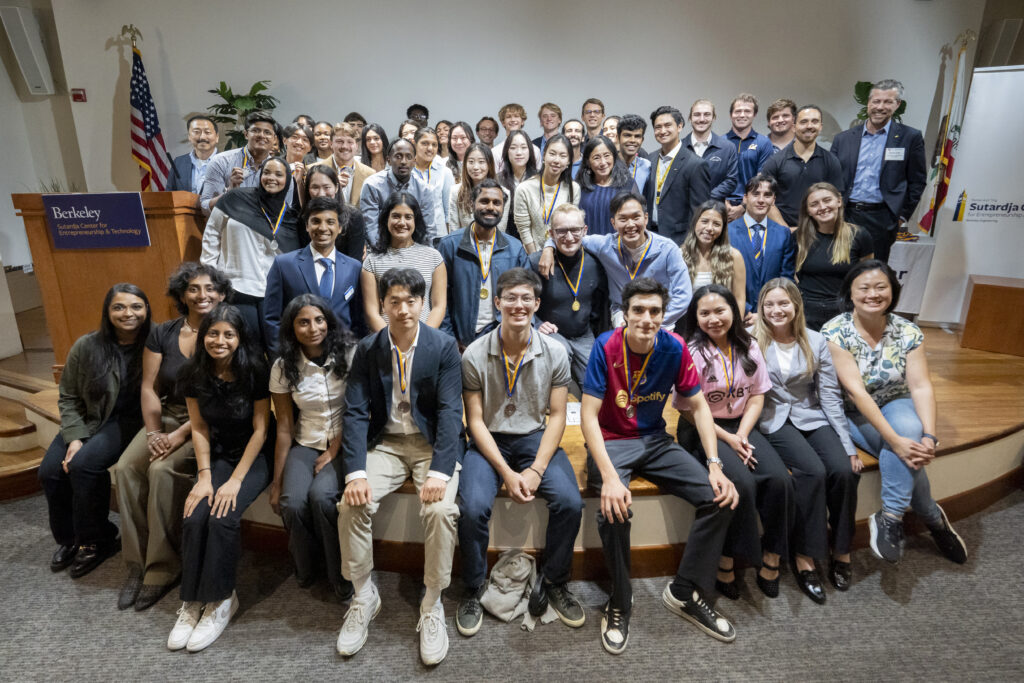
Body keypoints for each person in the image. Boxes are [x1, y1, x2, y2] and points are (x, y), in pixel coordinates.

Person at [582, 277, 738, 652]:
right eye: (638, 310)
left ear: (664, 315)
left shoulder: (675, 347)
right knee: (613, 510)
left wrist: (714, 464)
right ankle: (620, 598)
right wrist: (608, 477)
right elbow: (588, 416)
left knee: (719, 498)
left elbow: (698, 406)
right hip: (612, 441)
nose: (647, 318)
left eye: (655, 311)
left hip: (654, 439)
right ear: (625, 313)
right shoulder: (606, 346)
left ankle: (684, 591)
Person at [336, 268, 464, 665]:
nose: (404, 309)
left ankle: (432, 601)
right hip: (387, 444)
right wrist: (355, 472)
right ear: (382, 305)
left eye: (411, 300)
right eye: (395, 301)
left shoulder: (443, 346)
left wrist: (441, 471)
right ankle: (363, 595)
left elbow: (449, 411)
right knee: (350, 503)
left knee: (441, 510)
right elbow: (355, 413)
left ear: (422, 304)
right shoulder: (368, 349)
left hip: (430, 447)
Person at [456, 268, 585, 637]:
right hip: (488, 442)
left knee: (570, 502)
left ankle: (556, 581)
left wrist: (537, 469)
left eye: (526, 298)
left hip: (534, 437)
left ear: (537, 304)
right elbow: (475, 422)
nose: (518, 305)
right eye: (510, 298)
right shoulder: (475, 355)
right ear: (497, 303)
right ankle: (474, 587)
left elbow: (558, 415)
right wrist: (508, 472)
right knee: (473, 507)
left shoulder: (556, 352)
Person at [822, 261, 967, 566]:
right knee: (903, 442)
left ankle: (890, 516)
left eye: (881, 287)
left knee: (911, 432)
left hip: (895, 400)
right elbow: (856, 393)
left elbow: (921, 386)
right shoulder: (835, 332)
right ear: (850, 293)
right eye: (864, 288)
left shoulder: (908, 331)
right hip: (853, 410)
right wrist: (895, 440)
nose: (873, 294)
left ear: (893, 290)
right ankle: (932, 517)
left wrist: (929, 435)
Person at [115, 264, 230, 611]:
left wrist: (178, 436)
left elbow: (221, 399)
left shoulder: (226, 332)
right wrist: (153, 432)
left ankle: (162, 569)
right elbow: (149, 387)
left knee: (161, 471)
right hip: (166, 416)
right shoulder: (163, 332)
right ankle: (137, 564)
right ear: (181, 295)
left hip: (205, 422)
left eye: (210, 288)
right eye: (193, 288)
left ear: (222, 294)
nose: (202, 295)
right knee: (124, 469)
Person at [677, 285, 795, 602]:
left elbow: (757, 395)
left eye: (720, 311)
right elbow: (689, 411)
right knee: (739, 484)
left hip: (741, 425)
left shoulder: (750, 345)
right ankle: (726, 561)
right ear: (695, 317)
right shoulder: (691, 352)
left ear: (734, 312)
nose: (714, 318)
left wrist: (742, 433)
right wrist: (729, 437)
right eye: (705, 313)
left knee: (779, 480)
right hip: (703, 428)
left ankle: (772, 557)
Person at [168, 304, 273, 652]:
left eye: (229, 334)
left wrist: (235, 481)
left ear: (240, 338)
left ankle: (221, 599)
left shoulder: (256, 369)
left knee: (223, 517)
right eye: (213, 333)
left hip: (254, 456)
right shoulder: (192, 373)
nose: (220, 340)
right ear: (203, 336)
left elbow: (261, 430)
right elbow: (198, 427)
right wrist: (205, 477)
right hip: (218, 454)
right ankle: (192, 602)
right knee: (196, 515)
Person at [754, 279, 861, 597]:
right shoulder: (751, 340)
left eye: (783, 303)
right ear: (761, 308)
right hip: (773, 419)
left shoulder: (815, 341)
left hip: (811, 415)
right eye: (769, 304)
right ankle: (804, 557)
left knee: (844, 470)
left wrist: (847, 444)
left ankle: (842, 550)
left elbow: (829, 396)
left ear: (797, 305)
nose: (776, 310)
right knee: (812, 472)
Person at [39, 284, 150, 579]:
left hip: (128, 420)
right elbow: (68, 396)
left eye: (136, 306)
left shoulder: (155, 342)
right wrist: (75, 437)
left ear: (146, 310)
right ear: (108, 311)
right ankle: (69, 538)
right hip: (88, 419)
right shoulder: (86, 345)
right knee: (50, 471)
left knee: (85, 465)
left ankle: (97, 539)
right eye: (119, 307)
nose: (129, 313)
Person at [269, 294, 355, 600]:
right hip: (306, 442)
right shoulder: (283, 366)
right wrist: (277, 483)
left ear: (329, 322)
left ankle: (340, 575)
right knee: (291, 503)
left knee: (322, 497)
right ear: (292, 329)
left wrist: (334, 449)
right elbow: (284, 427)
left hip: (347, 441)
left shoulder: (350, 353)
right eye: (303, 322)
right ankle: (306, 568)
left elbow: (361, 410)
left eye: (319, 320)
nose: (313, 328)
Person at [537, 191, 693, 329]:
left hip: (659, 317)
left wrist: (655, 321)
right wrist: (548, 247)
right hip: (622, 315)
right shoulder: (604, 245)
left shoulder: (667, 249)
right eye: (623, 219)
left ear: (646, 218)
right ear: (613, 223)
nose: (630, 224)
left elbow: (683, 295)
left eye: (636, 217)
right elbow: (571, 238)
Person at [200, 156, 301, 346]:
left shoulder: (290, 216)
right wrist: (210, 275)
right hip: (236, 286)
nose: (272, 178)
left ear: (288, 180)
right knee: (247, 348)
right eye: (267, 173)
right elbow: (211, 233)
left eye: (279, 174)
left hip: (273, 293)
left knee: (276, 348)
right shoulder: (235, 198)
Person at [830, 79, 928, 263]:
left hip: (882, 219)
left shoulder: (909, 137)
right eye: (876, 101)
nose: (880, 107)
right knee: (840, 270)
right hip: (845, 215)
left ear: (897, 104)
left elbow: (917, 181)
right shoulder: (843, 139)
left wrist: (900, 216)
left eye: (887, 102)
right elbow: (830, 178)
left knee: (872, 273)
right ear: (868, 103)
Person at [263, 196, 364, 353]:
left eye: (330, 222)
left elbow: (358, 320)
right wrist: (281, 358)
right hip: (297, 357)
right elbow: (272, 319)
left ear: (340, 228)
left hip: (343, 357)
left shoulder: (354, 267)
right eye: (316, 221)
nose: (323, 228)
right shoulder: (284, 264)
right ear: (307, 226)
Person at [438, 179, 529, 350]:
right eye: (484, 201)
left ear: (503, 208)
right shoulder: (449, 245)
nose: (491, 207)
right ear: (472, 204)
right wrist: (450, 340)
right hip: (462, 340)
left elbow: (525, 297)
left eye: (497, 203)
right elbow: (440, 299)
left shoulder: (515, 248)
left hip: (504, 338)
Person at [530, 204, 608, 392]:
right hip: (550, 333)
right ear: (551, 233)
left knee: (598, 388)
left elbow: (600, 305)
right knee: (560, 354)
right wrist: (536, 323)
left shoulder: (596, 262)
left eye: (575, 230)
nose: (569, 237)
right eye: (562, 231)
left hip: (583, 334)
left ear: (585, 230)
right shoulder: (536, 262)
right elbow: (524, 300)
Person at [361, 192, 447, 331]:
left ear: (415, 221)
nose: (402, 223)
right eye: (396, 216)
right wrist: (392, 342)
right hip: (385, 344)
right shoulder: (372, 262)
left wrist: (422, 338)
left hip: (424, 342)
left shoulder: (434, 257)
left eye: (408, 217)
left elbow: (439, 306)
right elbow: (372, 313)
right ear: (386, 220)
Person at [795, 182, 874, 330]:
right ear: (808, 211)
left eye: (827, 200)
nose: (822, 207)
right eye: (814, 204)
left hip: (845, 310)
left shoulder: (860, 235)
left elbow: (868, 277)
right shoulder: (798, 238)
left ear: (839, 201)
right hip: (806, 312)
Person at [761, 104, 845, 228]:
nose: (809, 126)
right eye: (804, 122)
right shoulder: (775, 162)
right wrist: (786, 231)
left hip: (820, 232)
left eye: (814, 121)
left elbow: (837, 198)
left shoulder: (831, 161)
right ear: (794, 127)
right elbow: (765, 200)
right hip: (785, 231)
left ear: (820, 127)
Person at [728, 174, 796, 320]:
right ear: (745, 198)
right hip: (738, 315)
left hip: (773, 315)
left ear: (773, 200)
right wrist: (745, 311)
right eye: (755, 194)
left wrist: (766, 313)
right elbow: (724, 279)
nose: (761, 200)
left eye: (767, 195)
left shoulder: (783, 233)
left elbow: (786, 280)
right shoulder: (727, 232)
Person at [645, 105, 711, 245]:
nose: (662, 131)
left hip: (680, 241)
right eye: (658, 127)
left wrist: (691, 244)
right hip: (650, 237)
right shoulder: (650, 159)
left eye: (668, 125)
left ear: (679, 126)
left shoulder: (695, 164)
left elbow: (699, 212)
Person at [360, 138, 440, 244]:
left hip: (414, 247)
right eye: (398, 156)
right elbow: (371, 227)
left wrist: (425, 256)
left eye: (409, 157)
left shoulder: (424, 189)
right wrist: (383, 253)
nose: (403, 161)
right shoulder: (372, 185)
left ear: (414, 161)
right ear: (388, 160)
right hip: (381, 247)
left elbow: (429, 229)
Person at [199, 111, 278, 215]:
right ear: (246, 134)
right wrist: (230, 191)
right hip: (229, 227)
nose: (262, 136)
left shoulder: (281, 170)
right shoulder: (221, 161)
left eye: (267, 132)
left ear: (274, 138)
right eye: (256, 130)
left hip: (266, 228)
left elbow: (285, 209)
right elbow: (205, 207)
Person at [513, 134, 580, 253]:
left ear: (569, 161)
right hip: (533, 254)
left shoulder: (573, 188)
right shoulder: (524, 189)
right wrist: (534, 257)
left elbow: (571, 225)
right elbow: (524, 230)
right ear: (544, 156)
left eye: (563, 156)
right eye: (552, 154)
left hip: (563, 253)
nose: (556, 160)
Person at [680, 201, 747, 315]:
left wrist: (736, 330)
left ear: (723, 228)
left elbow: (739, 298)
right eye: (704, 222)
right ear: (695, 222)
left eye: (716, 224)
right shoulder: (679, 255)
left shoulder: (734, 256)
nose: (709, 228)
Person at [301, 165, 367, 261]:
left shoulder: (353, 216)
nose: (321, 193)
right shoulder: (302, 217)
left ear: (336, 187)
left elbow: (355, 261)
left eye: (326, 187)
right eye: (315, 187)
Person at [723, 94, 773, 222]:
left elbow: (762, 180)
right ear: (731, 115)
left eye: (747, 111)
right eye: (738, 111)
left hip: (752, 207)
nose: (742, 115)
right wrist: (723, 204)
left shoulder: (764, 142)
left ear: (754, 114)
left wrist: (743, 207)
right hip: (722, 206)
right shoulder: (720, 142)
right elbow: (715, 179)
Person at [576, 135, 638, 237]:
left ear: (614, 156)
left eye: (607, 155)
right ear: (588, 162)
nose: (603, 162)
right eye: (596, 157)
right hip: (586, 247)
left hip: (620, 248)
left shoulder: (628, 185)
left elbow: (637, 218)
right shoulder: (579, 187)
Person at [310, 122, 376, 208]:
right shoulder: (313, 170)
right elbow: (309, 206)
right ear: (331, 144)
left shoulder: (370, 174)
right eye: (339, 141)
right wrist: (332, 186)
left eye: (350, 142)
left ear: (356, 146)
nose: (345, 146)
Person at [685, 99, 739, 202]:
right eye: (697, 114)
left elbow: (731, 181)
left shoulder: (727, 148)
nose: (701, 119)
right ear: (690, 118)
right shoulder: (679, 147)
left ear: (713, 118)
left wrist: (707, 198)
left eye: (707, 114)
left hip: (714, 210)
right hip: (684, 210)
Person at [448, 143, 509, 233]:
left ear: (489, 164)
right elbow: (454, 229)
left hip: (493, 245)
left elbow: (500, 229)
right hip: (462, 244)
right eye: (471, 162)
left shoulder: (503, 193)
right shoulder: (455, 191)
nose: (476, 167)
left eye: (481, 162)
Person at [412, 127, 455, 229]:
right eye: (425, 143)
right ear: (414, 144)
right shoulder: (406, 171)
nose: (430, 148)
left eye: (434, 145)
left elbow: (449, 210)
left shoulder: (445, 172)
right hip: (411, 233)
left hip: (438, 234)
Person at [167, 116, 219, 194]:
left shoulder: (228, 163)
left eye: (207, 132)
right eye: (196, 132)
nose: (202, 137)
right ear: (189, 137)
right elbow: (169, 196)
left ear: (217, 137)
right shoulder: (178, 162)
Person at [496, 130, 539, 215]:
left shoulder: (539, 177)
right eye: (513, 148)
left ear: (530, 151)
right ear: (506, 151)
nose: (519, 153)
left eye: (523, 147)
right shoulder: (498, 179)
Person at [617, 114, 651, 194]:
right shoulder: (608, 165)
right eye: (627, 135)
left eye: (637, 136)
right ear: (618, 137)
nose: (632, 140)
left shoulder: (647, 167)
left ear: (642, 140)